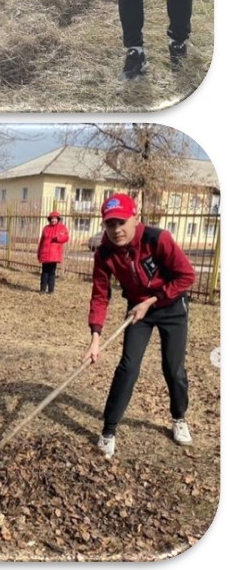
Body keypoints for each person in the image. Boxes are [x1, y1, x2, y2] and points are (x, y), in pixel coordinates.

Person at [82, 194, 196, 458]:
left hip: (171, 306)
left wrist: (154, 300)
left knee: (173, 368)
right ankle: (108, 430)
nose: (117, 230)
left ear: (136, 218)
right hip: (138, 311)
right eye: (110, 224)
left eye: (122, 222)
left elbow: (187, 275)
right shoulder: (105, 253)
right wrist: (95, 336)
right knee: (128, 367)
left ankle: (179, 417)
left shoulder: (158, 239)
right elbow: (100, 295)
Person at [37, 210, 69, 294]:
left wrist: (58, 238)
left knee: (52, 272)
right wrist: (39, 253)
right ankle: (42, 289)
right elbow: (41, 242)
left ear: (58, 219)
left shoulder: (62, 227)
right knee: (44, 272)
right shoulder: (46, 228)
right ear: (49, 219)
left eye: (55, 218)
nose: (53, 220)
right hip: (45, 254)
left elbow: (66, 237)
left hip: (54, 255)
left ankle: (51, 290)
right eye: (52, 218)